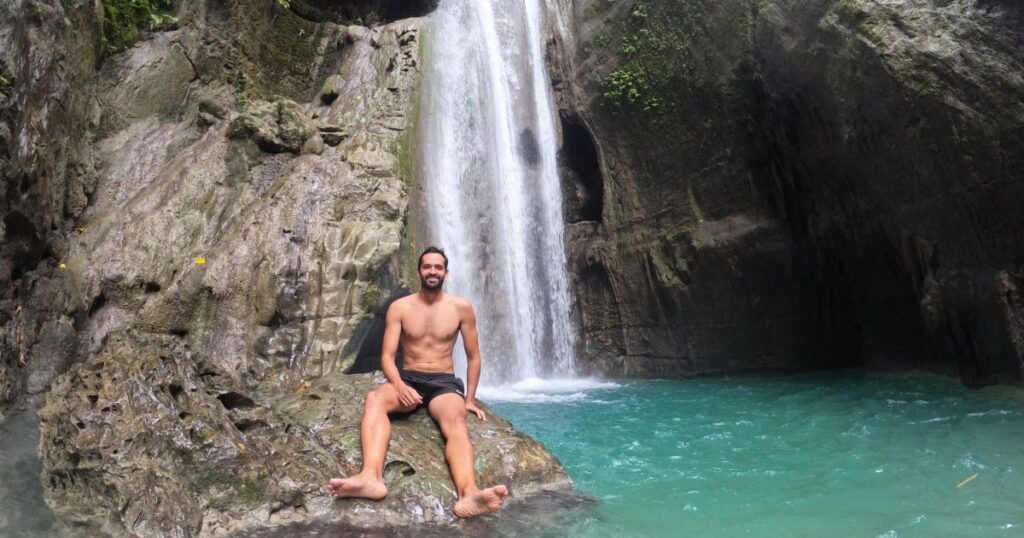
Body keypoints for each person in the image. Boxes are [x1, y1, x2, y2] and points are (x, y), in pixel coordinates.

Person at [327, 247, 509, 518]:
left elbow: (474, 356)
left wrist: (469, 398)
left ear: (446, 272)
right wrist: (399, 385)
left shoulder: (461, 307)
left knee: (456, 420)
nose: (432, 271)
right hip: (409, 378)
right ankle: (371, 477)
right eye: (427, 267)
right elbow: (387, 357)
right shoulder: (400, 307)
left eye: (438, 267)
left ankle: (469, 493)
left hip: (444, 383)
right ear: (419, 271)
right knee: (375, 399)